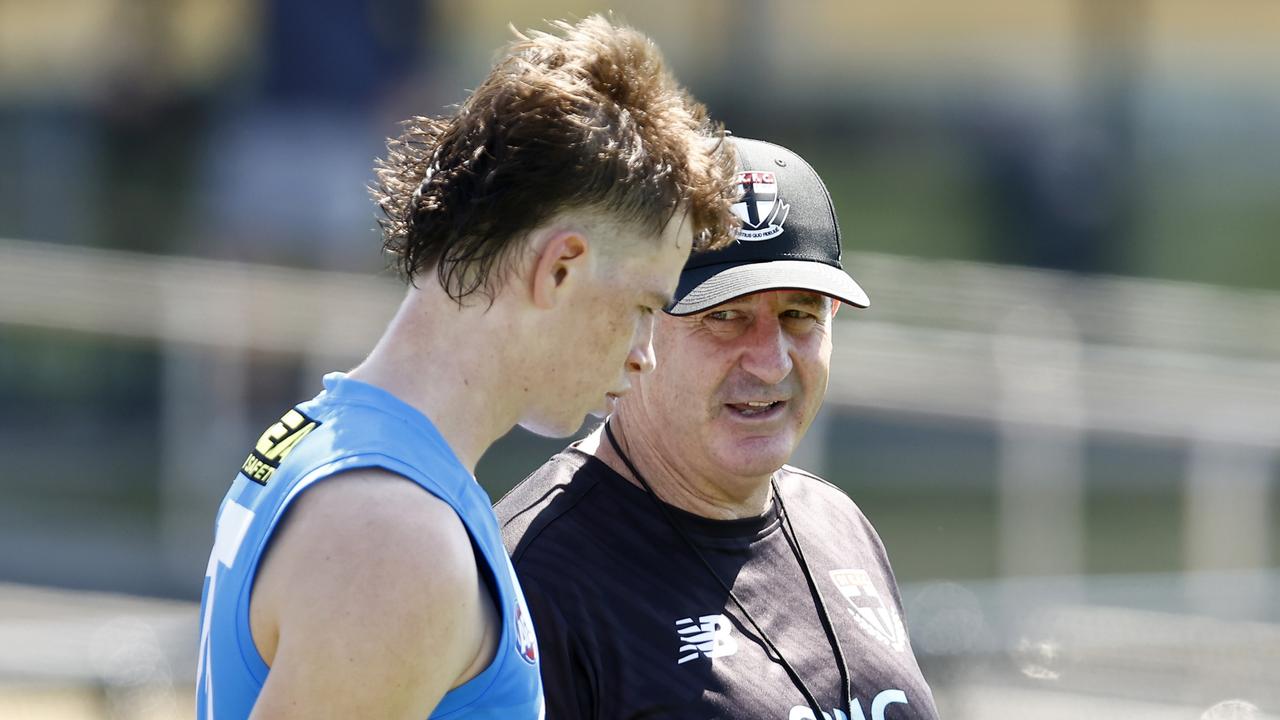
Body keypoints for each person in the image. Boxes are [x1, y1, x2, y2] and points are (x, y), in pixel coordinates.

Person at [195, 16, 739, 720]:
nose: (647, 352)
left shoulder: (341, 446)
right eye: (642, 307)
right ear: (561, 268)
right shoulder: (396, 537)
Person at [497, 137, 941, 720]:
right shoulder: (534, 577)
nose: (772, 361)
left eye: (798, 314)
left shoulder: (838, 522)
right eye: (724, 317)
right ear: (636, 322)